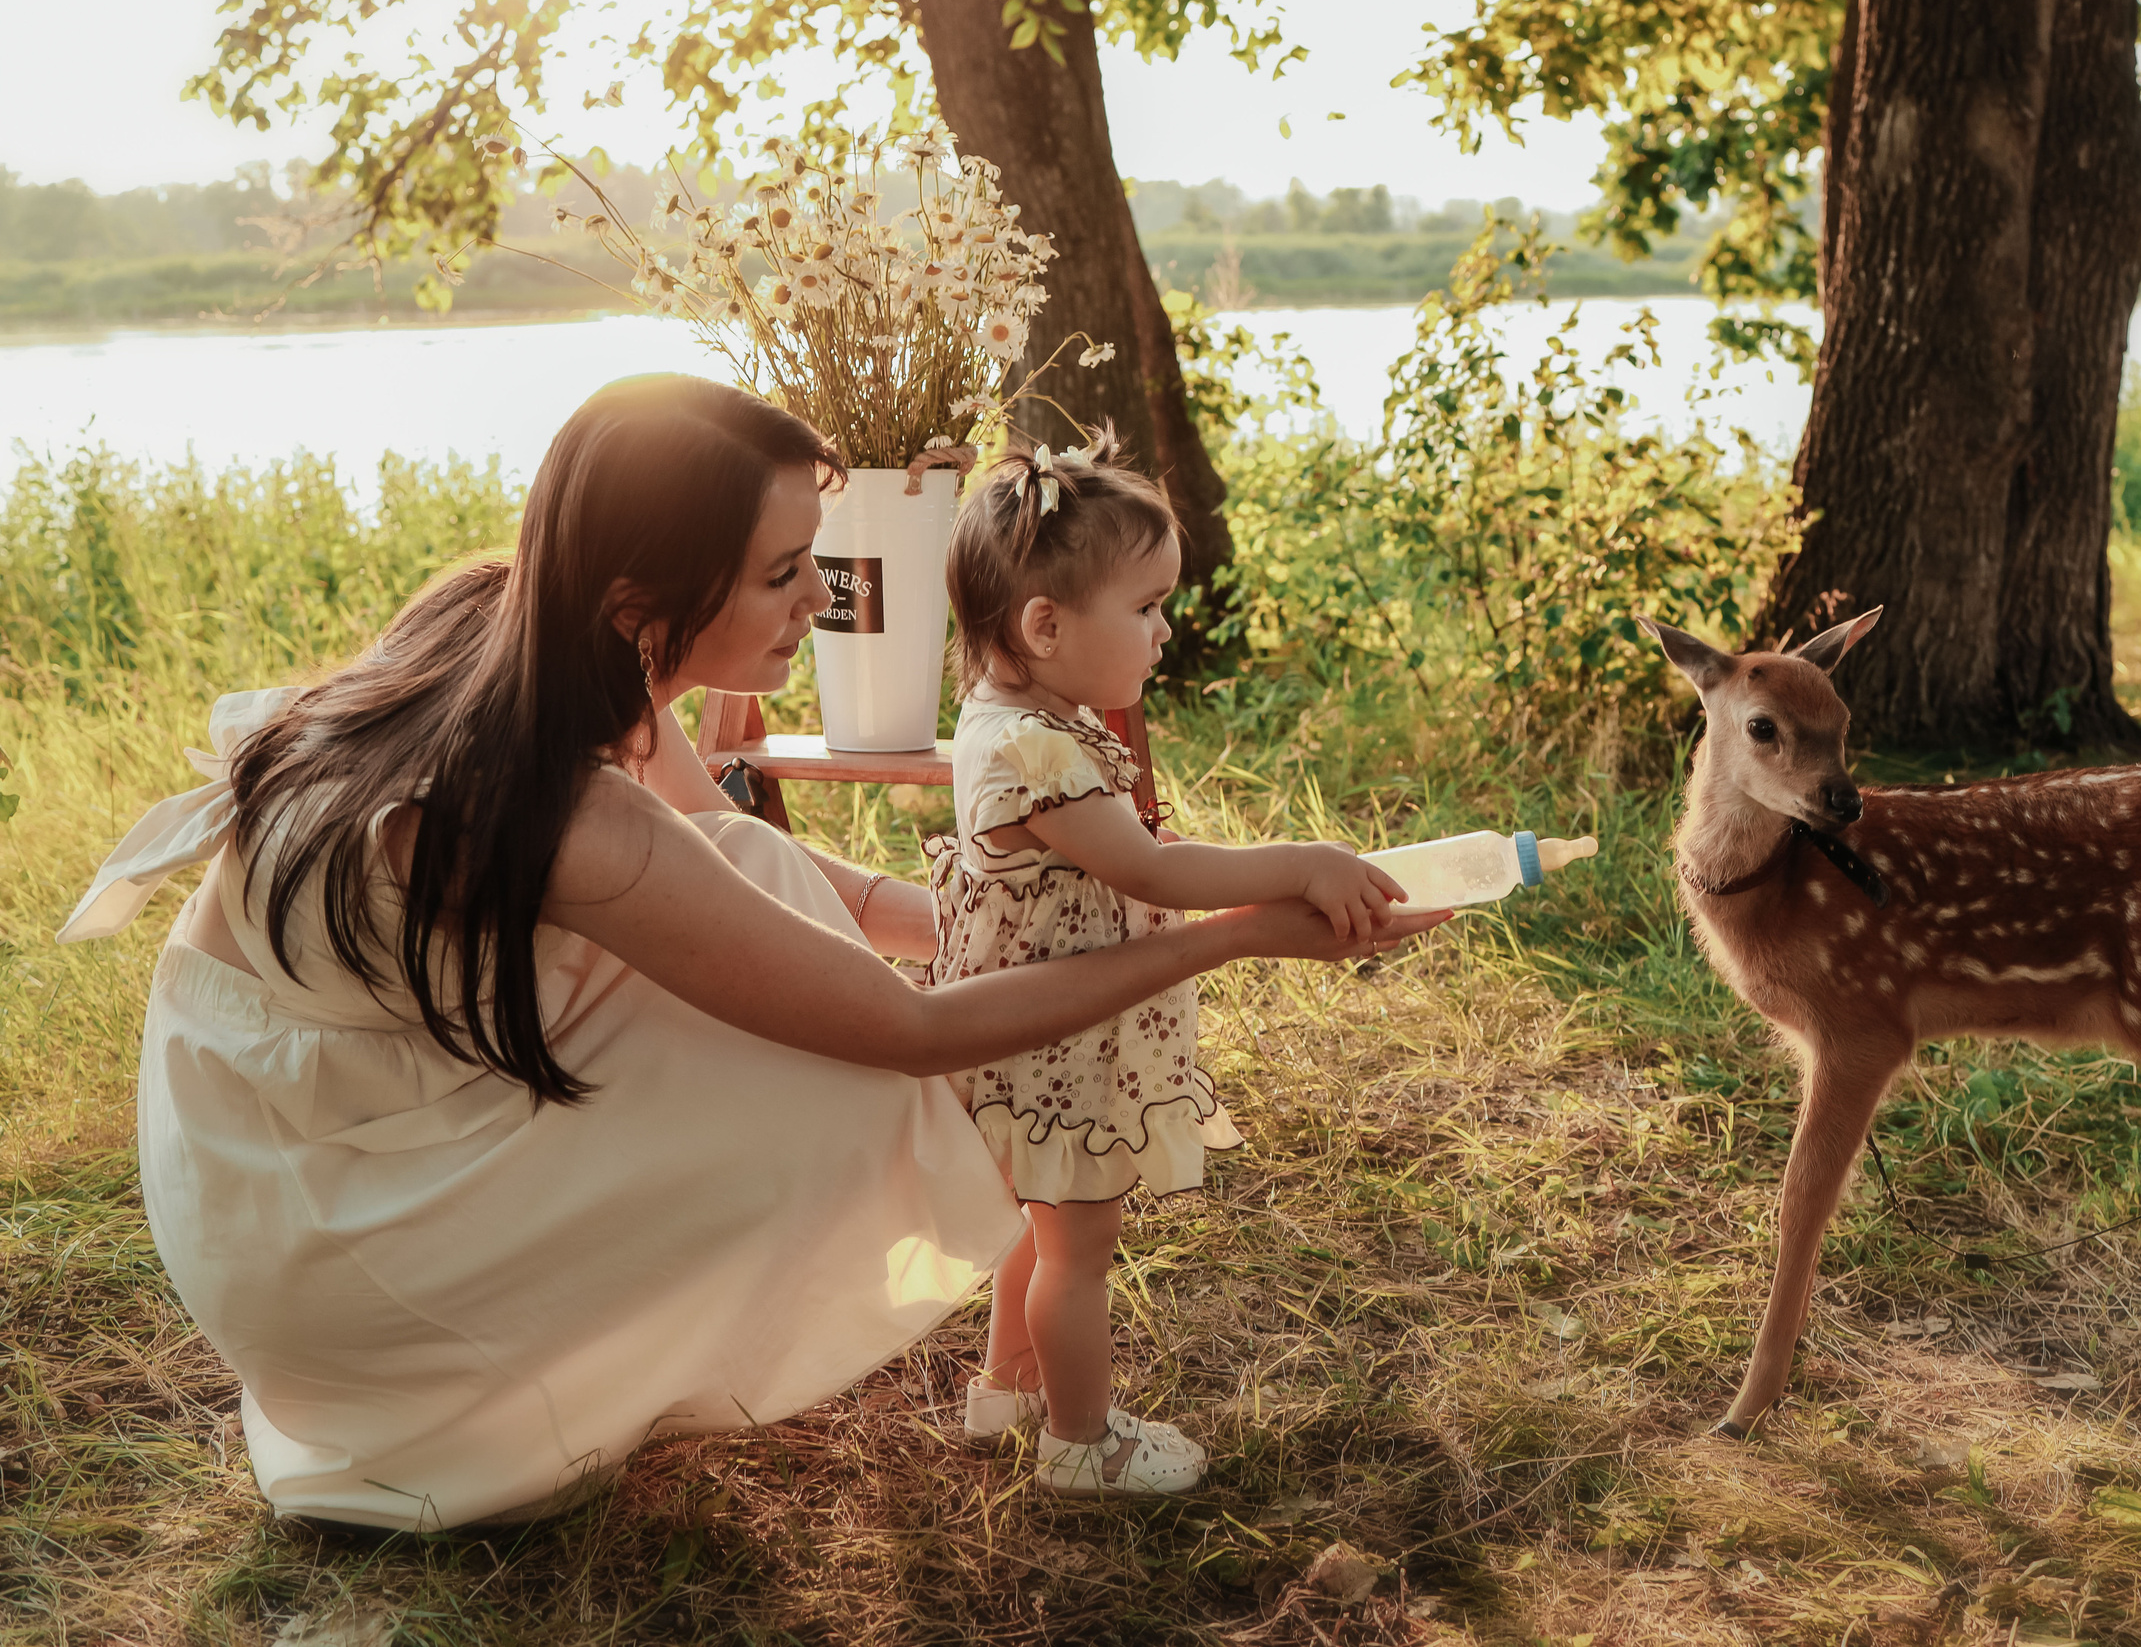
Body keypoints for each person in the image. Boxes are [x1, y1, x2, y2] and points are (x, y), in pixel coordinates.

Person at [58, 375, 1441, 1532]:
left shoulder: (523, 629)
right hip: (339, 1248)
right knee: (865, 1064)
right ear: (641, 595)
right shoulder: (558, 807)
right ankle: (482, 1375)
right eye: (785, 573)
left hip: (281, 1149)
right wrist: (1233, 934)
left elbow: (739, 854)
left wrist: (1002, 905)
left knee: (762, 864)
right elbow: (916, 1034)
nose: (822, 599)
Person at [931, 434, 1406, 1496]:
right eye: (1143, 608)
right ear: (1044, 626)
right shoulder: (1037, 752)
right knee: (1078, 1254)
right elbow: (1154, 868)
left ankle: (1004, 1392)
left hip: (1037, 1037)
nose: (1163, 628)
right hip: (1062, 1045)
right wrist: (1307, 862)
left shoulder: (1018, 720)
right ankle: (1079, 1442)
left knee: (1040, 1224)